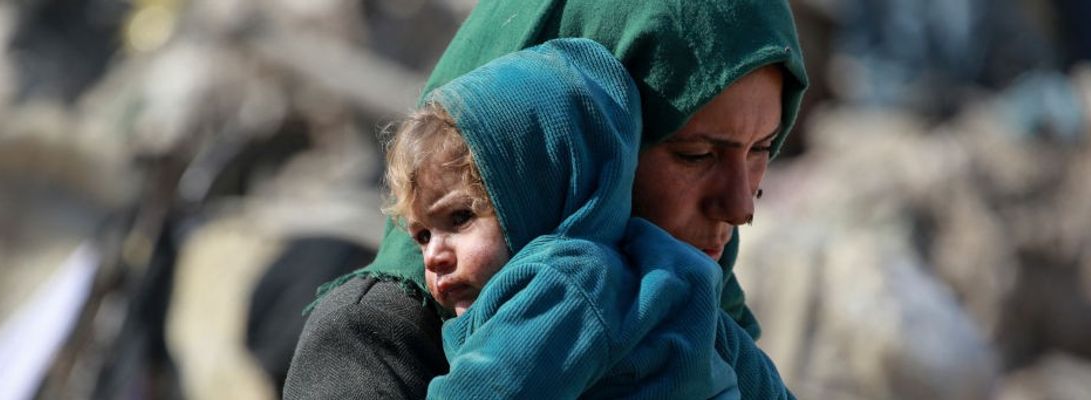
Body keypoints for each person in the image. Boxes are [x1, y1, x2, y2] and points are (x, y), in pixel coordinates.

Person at [283, 0, 808, 398]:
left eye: (763, 150)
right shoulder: (373, 343)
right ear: (582, 150)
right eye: (696, 154)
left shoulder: (703, 313)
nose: (741, 206)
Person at [383, 38, 788, 398]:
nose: (434, 256)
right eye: (421, 236)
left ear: (541, 194)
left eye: (460, 218)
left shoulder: (565, 285)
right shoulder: (671, 279)